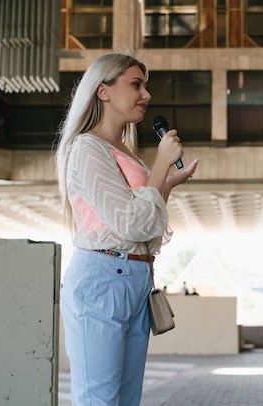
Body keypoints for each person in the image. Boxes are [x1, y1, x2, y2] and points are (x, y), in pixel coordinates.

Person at [55, 52, 199, 405]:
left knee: (125, 399)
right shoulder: (88, 146)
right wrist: (162, 163)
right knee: (99, 399)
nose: (146, 95)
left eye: (145, 86)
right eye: (136, 85)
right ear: (103, 91)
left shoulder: (123, 149)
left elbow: (140, 221)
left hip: (135, 277)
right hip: (103, 277)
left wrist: (165, 182)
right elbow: (131, 222)